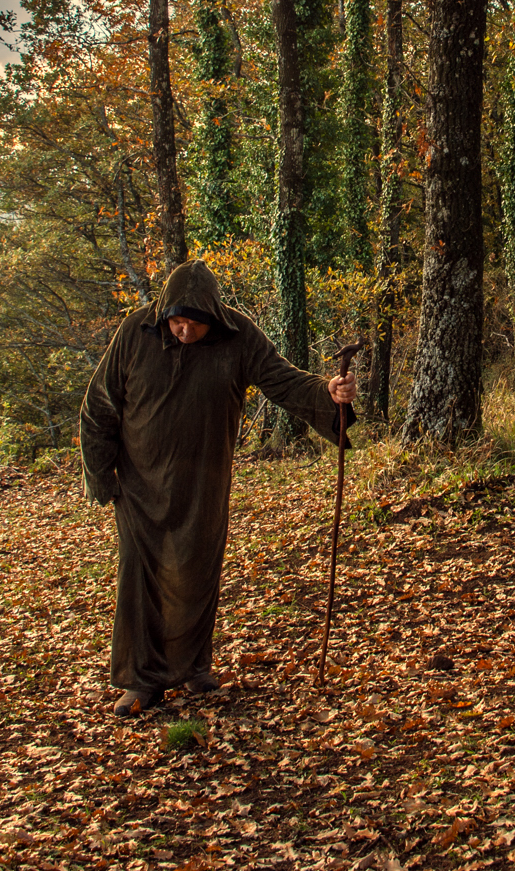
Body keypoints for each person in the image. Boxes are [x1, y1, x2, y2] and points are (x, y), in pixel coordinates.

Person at [78, 259, 356, 717]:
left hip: (204, 482)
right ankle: (142, 680)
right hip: (139, 485)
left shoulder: (239, 336)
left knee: (196, 574)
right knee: (139, 578)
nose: (184, 330)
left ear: (213, 316)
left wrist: (328, 393)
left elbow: (281, 380)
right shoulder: (135, 332)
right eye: (177, 321)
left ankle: (192, 667)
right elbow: (100, 405)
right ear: (164, 312)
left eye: (195, 322)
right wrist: (99, 473)